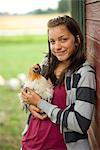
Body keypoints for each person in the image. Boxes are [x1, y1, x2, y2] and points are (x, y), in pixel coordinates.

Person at [21, 15, 96, 150]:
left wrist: (40, 103)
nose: (57, 47)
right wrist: (30, 105)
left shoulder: (84, 73)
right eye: (52, 41)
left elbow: (80, 123)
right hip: (30, 143)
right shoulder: (47, 63)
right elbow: (28, 94)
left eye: (63, 40)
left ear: (77, 40)